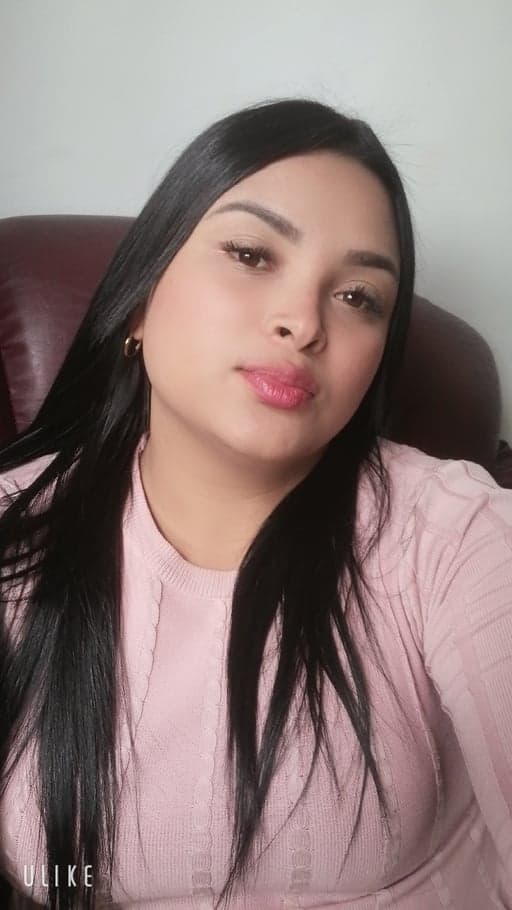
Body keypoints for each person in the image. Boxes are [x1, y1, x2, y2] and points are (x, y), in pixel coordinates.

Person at [0, 97, 511, 910]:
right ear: (140, 299)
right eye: (250, 253)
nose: (302, 323)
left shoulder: (454, 535)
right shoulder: (15, 533)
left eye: (358, 297)